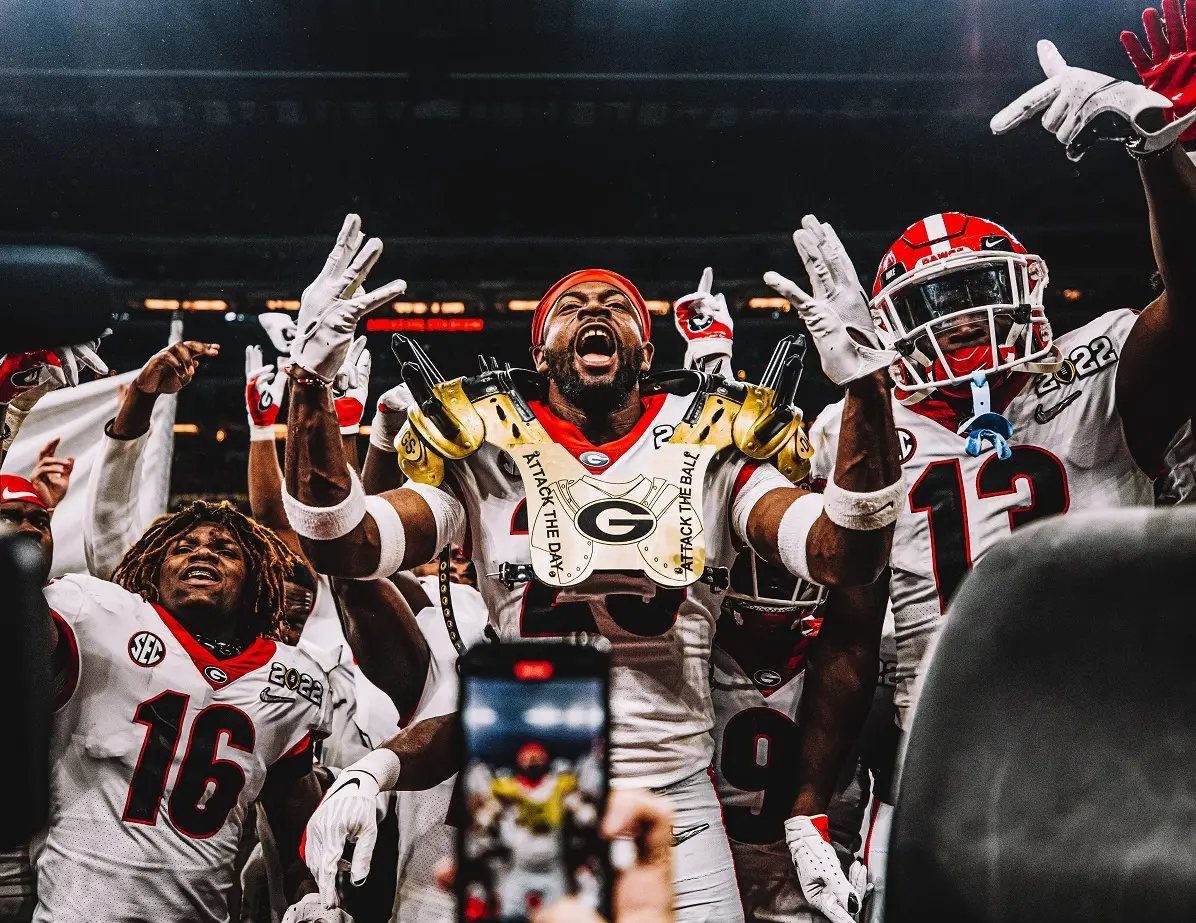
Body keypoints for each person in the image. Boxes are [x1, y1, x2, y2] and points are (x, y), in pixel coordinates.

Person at [283, 214, 903, 922]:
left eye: (616, 305)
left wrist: (867, 384)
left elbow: (847, 551)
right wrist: (310, 383)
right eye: (571, 306)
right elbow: (344, 543)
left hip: (675, 801)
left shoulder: (713, 445)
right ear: (540, 354)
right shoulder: (486, 454)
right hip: (533, 796)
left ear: (645, 351)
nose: (594, 311)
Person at [786, 12, 1196, 906]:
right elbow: (851, 635)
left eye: (977, 291)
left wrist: (1158, 153)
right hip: (946, 752)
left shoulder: (1102, 366)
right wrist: (809, 804)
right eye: (938, 300)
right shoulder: (859, 427)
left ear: (1026, 286)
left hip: (1124, 738)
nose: (964, 317)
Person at [15, 454, 332, 923]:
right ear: (153, 573)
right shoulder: (96, 616)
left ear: (254, 583)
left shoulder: (292, 680)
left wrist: (313, 897)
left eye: (225, 551)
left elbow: (294, 837)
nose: (203, 553)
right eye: (183, 548)